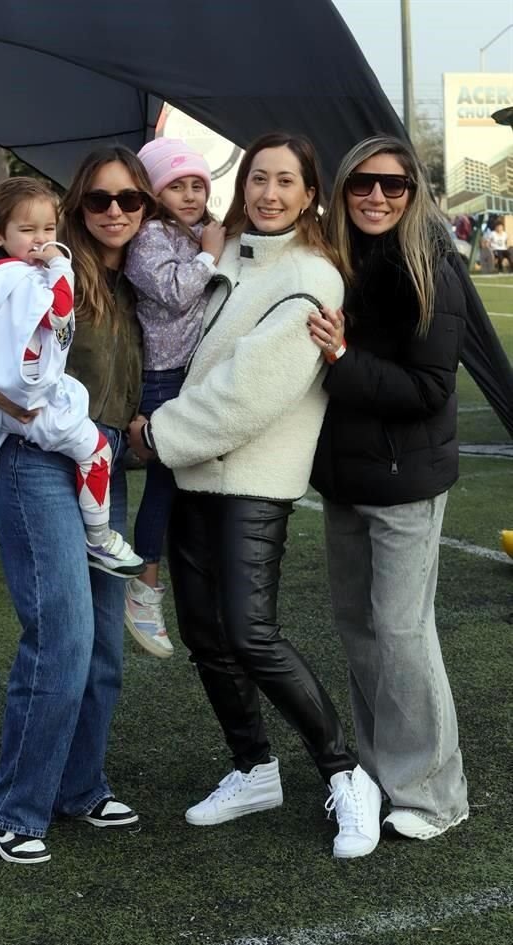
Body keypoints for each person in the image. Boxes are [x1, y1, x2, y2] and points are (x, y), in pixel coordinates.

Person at [128, 133, 382, 859]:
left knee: (251, 634)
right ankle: (253, 767)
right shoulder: (231, 254)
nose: (269, 193)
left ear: (309, 196)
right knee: (206, 636)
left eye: (285, 182)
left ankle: (344, 770)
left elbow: (249, 393)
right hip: (193, 475)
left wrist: (158, 436)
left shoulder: (311, 275)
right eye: (258, 179)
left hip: (247, 481)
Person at [0, 146, 157, 864]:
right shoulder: (33, 266)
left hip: (103, 463)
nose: (116, 212)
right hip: (35, 454)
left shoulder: (140, 278)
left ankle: (77, 783)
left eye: (131, 200)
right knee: (63, 633)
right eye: (100, 200)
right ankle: (10, 800)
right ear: (77, 207)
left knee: (101, 645)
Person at [308, 134, 469, 842]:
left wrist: (342, 359)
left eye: (393, 185)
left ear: (414, 194)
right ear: (342, 190)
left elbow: (428, 389)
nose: (376, 196)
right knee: (360, 632)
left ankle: (437, 793)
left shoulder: (433, 267)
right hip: (343, 479)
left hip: (407, 480)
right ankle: (375, 774)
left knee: (402, 633)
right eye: (361, 184)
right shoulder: (330, 263)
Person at [0, 177, 143, 578]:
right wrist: (60, 266)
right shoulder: (26, 277)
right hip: (34, 402)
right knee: (95, 451)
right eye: (27, 230)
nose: (39, 240)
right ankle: (99, 539)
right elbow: (58, 313)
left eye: (48, 230)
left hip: (6, 399)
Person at [123, 138, 226, 658]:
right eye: (176, 185)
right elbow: (176, 291)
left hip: (192, 376)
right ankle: (143, 586)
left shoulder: (191, 232)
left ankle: (191, 583)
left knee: (189, 487)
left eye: (197, 185)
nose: (189, 195)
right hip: (162, 380)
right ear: (154, 191)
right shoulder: (149, 237)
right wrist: (210, 252)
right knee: (162, 488)